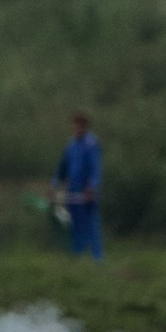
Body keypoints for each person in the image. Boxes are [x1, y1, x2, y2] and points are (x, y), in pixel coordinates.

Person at [52, 112, 103, 261]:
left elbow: (95, 169)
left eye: (80, 126)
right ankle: (77, 256)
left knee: (91, 224)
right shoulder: (71, 145)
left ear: (85, 127)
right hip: (73, 191)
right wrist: (54, 184)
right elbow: (62, 168)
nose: (77, 129)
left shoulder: (91, 144)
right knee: (75, 225)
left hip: (87, 191)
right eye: (75, 125)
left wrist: (92, 187)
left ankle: (98, 259)